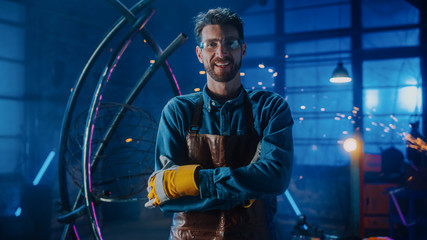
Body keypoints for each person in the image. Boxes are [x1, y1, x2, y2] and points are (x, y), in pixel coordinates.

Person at [145, 7, 294, 240]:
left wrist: (191, 181)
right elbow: (167, 197)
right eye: (211, 44)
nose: (221, 52)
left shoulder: (269, 108)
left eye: (230, 43)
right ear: (199, 53)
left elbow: (275, 177)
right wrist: (247, 187)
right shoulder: (177, 111)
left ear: (242, 49)